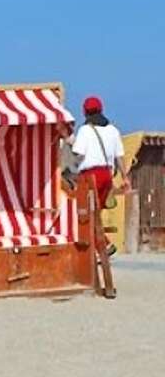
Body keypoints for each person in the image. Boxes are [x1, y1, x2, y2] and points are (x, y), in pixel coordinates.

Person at [71, 94, 126, 296]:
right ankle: (103, 246)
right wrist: (126, 177)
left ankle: (106, 245)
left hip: (90, 176)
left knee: (87, 218)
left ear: (85, 112)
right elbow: (120, 157)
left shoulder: (85, 130)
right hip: (107, 176)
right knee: (97, 217)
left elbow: (79, 153)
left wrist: (68, 142)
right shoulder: (113, 130)